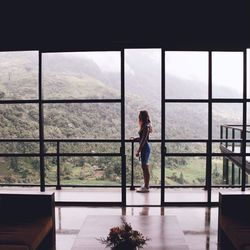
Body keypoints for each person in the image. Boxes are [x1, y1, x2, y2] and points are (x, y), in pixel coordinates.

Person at [131, 110, 152, 193]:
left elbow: (143, 140)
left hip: (145, 148)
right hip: (145, 147)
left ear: (142, 116)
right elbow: (142, 137)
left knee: (145, 167)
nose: (138, 117)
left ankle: (146, 187)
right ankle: (146, 185)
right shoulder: (146, 125)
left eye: (139, 115)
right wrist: (135, 139)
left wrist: (138, 150)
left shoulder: (146, 126)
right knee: (144, 167)